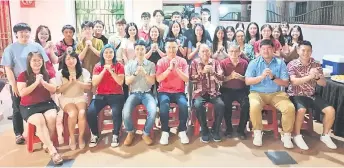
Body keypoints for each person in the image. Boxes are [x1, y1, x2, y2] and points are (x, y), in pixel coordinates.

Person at [1, 23, 53, 145]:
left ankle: (39, 130)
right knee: (17, 107)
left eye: (26, 31)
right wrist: (14, 86)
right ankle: (18, 133)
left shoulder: (36, 46)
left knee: (38, 104)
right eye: (21, 32)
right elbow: (8, 68)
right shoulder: (10, 49)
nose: (24, 34)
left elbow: (45, 63)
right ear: (16, 34)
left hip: (37, 80)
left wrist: (45, 79)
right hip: (19, 82)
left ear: (30, 33)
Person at [245, 39, 295, 148]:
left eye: (269, 48)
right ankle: (258, 132)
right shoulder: (253, 63)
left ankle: (286, 135)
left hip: (276, 93)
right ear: (259, 50)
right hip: (257, 93)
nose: (266, 51)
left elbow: (286, 83)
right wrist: (261, 77)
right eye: (263, 49)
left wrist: (273, 77)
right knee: (254, 106)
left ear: (273, 49)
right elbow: (247, 81)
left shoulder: (280, 63)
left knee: (289, 107)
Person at [287, 40, 337, 150]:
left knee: (330, 110)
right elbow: (294, 81)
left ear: (312, 52)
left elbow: (323, 83)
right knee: (301, 110)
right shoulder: (292, 64)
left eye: (308, 51)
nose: (306, 53)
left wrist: (317, 77)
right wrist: (310, 76)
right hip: (296, 94)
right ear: (298, 51)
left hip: (312, 94)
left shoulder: (316, 64)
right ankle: (297, 135)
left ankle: (325, 135)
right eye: (303, 50)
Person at [17, 52, 62, 165]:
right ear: (29, 62)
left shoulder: (48, 73)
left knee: (51, 117)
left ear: (43, 61)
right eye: (34, 60)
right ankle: (52, 151)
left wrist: (43, 82)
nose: (37, 63)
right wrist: (36, 82)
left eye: (39, 60)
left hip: (46, 103)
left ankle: (46, 143)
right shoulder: (23, 75)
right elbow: (22, 93)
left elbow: (54, 89)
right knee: (40, 120)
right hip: (28, 105)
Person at [86, 44, 125, 148]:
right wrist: (104, 70)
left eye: (110, 52)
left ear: (114, 54)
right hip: (100, 95)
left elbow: (120, 82)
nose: (108, 54)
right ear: (102, 54)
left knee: (116, 112)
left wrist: (111, 71)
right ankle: (94, 134)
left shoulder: (119, 66)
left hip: (116, 95)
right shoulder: (98, 66)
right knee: (90, 112)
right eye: (106, 52)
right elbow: (94, 83)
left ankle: (115, 134)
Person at [122, 40, 157, 146]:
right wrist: (136, 73)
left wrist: (145, 72)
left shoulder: (151, 64)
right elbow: (127, 82)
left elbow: (152, 82)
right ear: (134, 51)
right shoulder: (129, 65)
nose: (140, 51)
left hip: (147, 93)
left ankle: (145, 133)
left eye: (142, 49)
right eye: (137, 49)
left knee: (153, 111)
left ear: (145, 50)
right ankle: (130, 132)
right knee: (126, 112)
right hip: (133, 94)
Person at [156, 38, 189, 145]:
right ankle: (165, 131)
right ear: (165, 49)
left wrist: (177, 69)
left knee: (184, 105)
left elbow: (186, 79)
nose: (171, 50)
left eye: (174, 47)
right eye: (169, 47)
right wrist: (169, 68)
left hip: (179, 91)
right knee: (164, 106)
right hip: (164, 91)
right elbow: (158, 79)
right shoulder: (161, 61)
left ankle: (182, 130)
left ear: (177, 48)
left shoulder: (182, 61)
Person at [56, 51, 91, 150]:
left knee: (82, 112)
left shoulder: (84, 71)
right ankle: (72, 137)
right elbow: (58, 91)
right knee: (73, 113)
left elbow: (88, 86)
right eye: (68, 59)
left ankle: (80, 137)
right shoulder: (60, 73)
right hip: (66, 98)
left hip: (80, 96)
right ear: (64, 61)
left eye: (73, 58)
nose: (71, 61)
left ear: (77, 59)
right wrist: (69, 83)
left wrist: (77, 81)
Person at [190, 44, 224, 143]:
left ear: (210, 52)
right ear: (199, 53)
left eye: (207, 51)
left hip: (213, 92)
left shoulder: (215, 63)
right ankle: (204, 130)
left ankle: (215, 129)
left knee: (221, 105)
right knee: (197, 105)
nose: (205, 53)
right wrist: (202, 72)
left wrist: (213, 73)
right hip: (199, 93)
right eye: (203, 51)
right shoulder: (194, 63)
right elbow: (192, 79)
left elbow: (222, 78)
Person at [220, 43, 249, 140]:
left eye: (236, 51)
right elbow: (220, 80)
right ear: (228, 52)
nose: (233, 53)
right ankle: (229, 129)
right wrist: (230, 77)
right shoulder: (223, 63)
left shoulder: (244, 63)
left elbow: (249, 79)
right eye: (231, 51)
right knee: (226, 104)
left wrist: (241, 77)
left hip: (241, 90)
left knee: (246, 105)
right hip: (227, 89)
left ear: (239, 52)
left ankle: (241, 129)